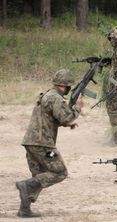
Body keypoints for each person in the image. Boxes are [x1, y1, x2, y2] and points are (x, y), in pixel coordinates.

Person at [17, 69, 83, 217]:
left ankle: (24, 210)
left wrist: (66, 125)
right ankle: (25, 185)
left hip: (31, 143)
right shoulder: (56, 98)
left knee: (39, 175)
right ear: (63, 85)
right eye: (68, 86)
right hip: (44, 146)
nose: (69, 89)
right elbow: (66, 117)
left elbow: (51, 118)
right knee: (59, 172)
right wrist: (78, 107)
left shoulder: (47, 95)